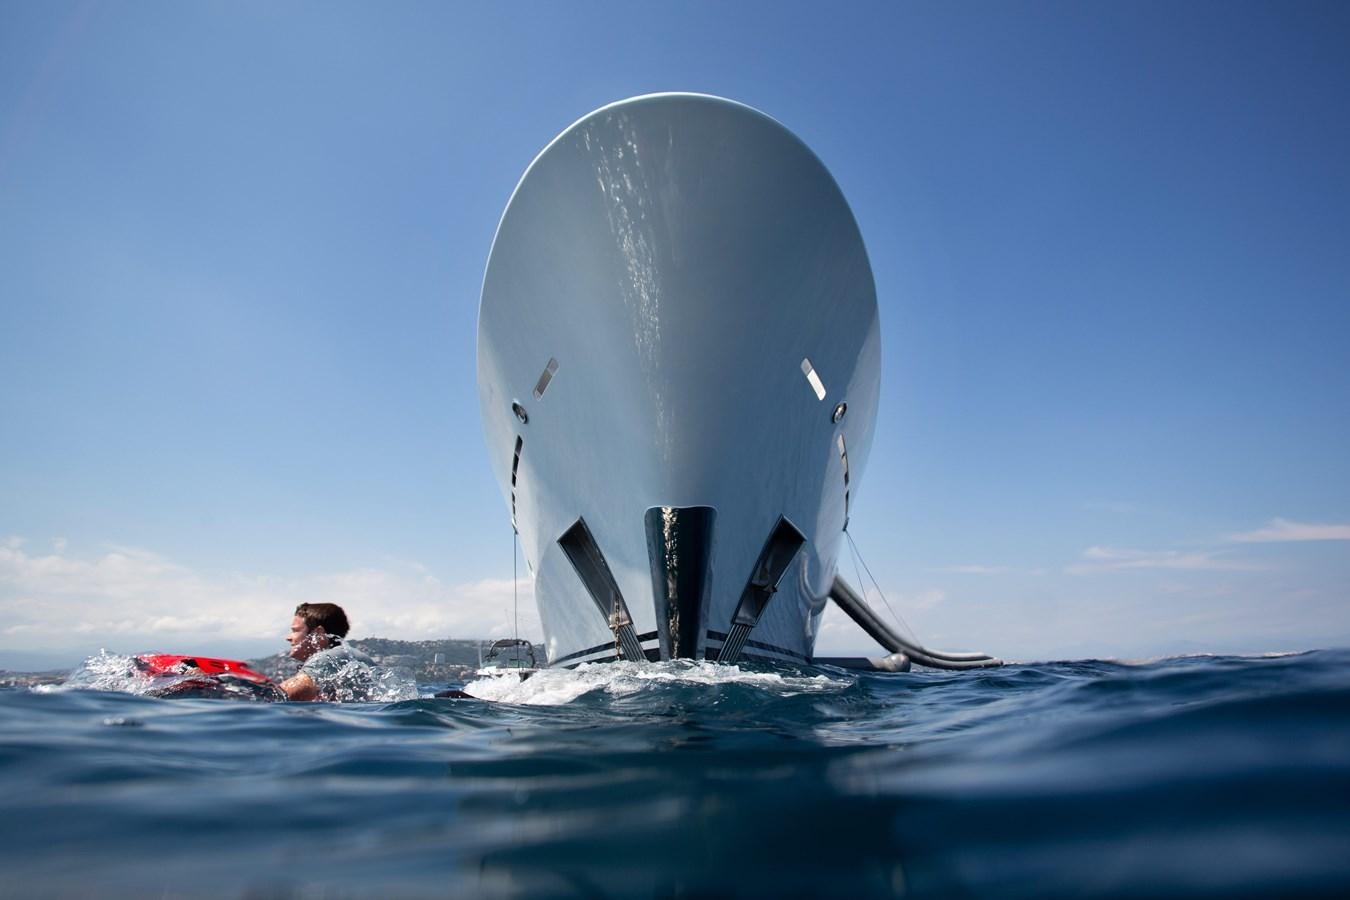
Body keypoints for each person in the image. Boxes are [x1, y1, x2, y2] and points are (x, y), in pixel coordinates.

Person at [279, 602, 376, 701]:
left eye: (295, 630)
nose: (288, 638)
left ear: (318, 634)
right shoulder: (345, 656)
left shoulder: (328, 658)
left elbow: (281, 696)